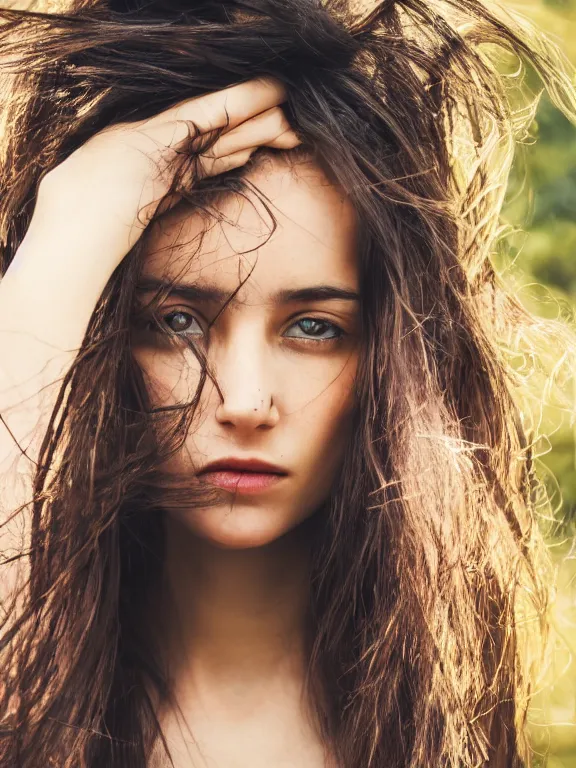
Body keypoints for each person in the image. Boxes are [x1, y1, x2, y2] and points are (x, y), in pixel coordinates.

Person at [0, 0, 575, 765]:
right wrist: (69, 236)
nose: (243, 402)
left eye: (314, 328)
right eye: (175, 321)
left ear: (390, 361)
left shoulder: (448, 729)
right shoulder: (27, 702)